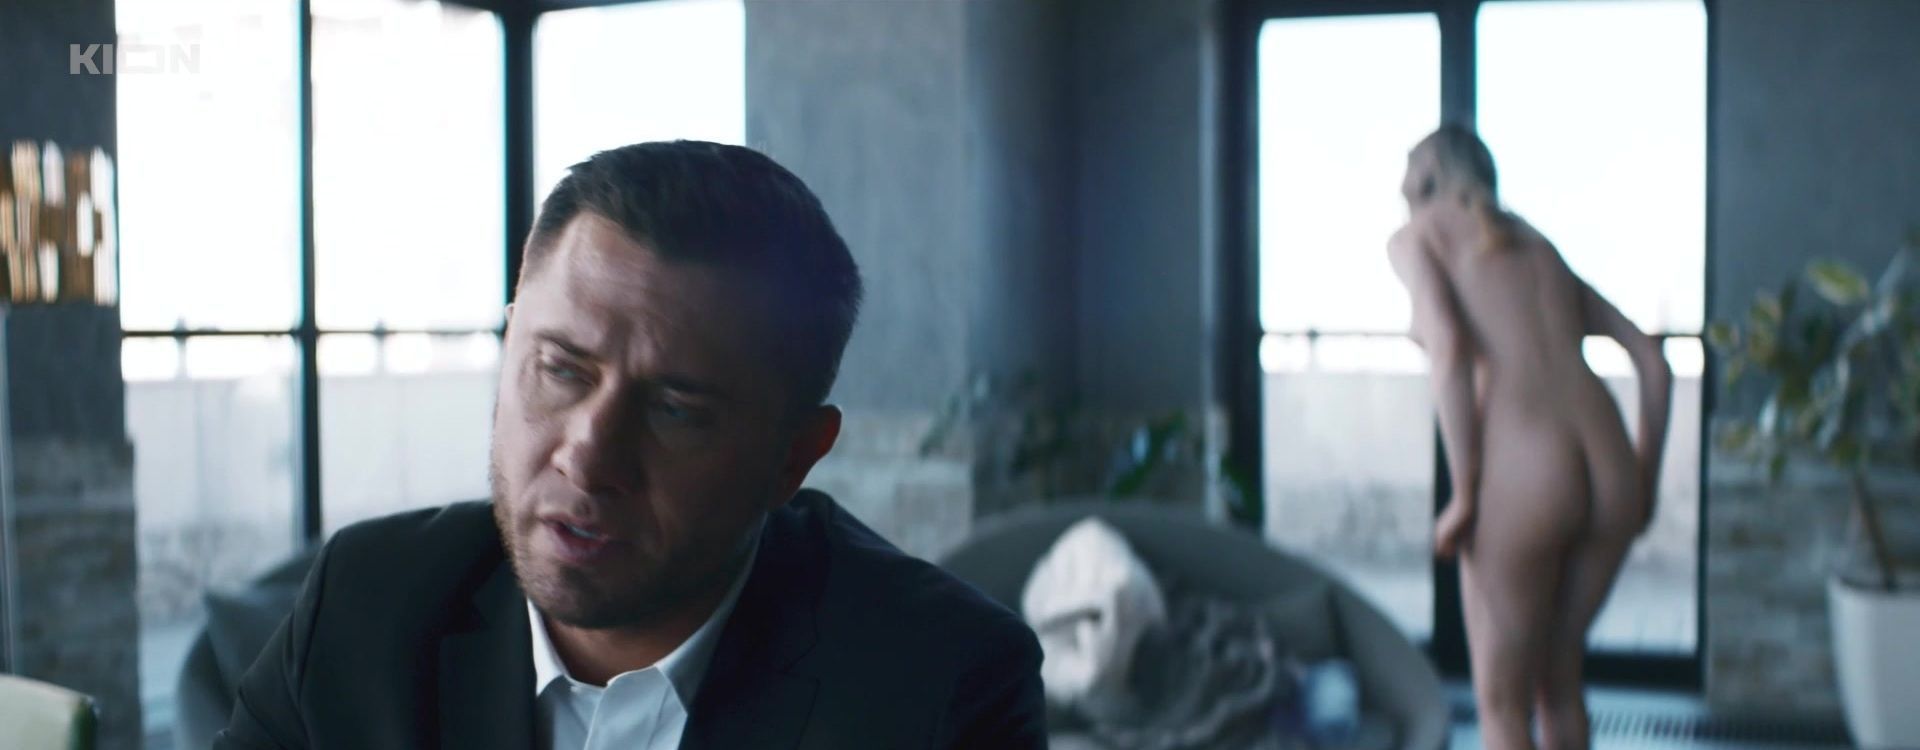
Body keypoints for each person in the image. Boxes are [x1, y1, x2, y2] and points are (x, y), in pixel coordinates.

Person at [215, 141, 1046, 749]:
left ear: (793, 456)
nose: (588, 455)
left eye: (675, 411)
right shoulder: (365, 605)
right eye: (561, 370)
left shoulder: (941, 686)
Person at [1388, 124, 1672, 750]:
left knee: (1501, 699)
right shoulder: (1535, 242)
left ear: (1432, 171)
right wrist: (1645, 486)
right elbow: (1652, 360)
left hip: (1527, 466)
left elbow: (1448, 348)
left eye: (1411, 157)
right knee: (1559, 678)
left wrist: (1465, 492)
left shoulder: (1420, 235)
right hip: (1610, 462)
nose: (1402, 169)